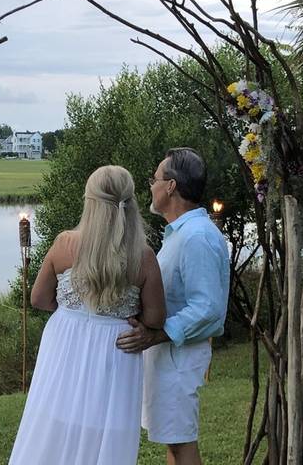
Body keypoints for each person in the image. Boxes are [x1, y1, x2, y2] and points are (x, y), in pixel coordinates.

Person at [8, 165, 165, 465]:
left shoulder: (65, 243)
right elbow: (156, 319)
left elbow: (39, 299)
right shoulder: (143, 256)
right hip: (117, 349)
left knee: (55, 420)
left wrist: (73, 312)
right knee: (105, 428)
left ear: (89, 202)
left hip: (65, 342)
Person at [116, 148, 230, 465]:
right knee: (172, 442)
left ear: (171, 186)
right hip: (167, 357)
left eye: (154, 178)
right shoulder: (181, 234)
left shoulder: (197, 237)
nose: (150, 185)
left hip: (179, 358)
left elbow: (208, 307)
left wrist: (157, 334)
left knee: (181, 442)